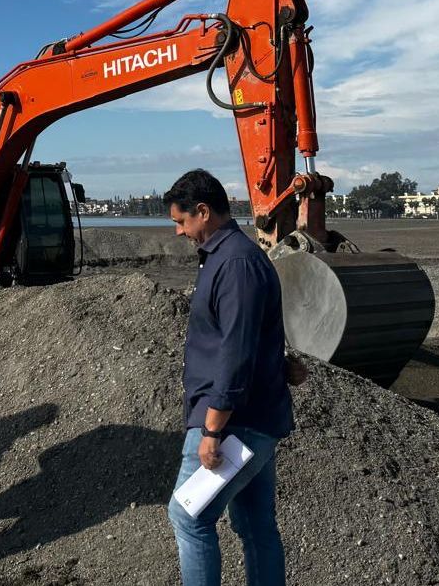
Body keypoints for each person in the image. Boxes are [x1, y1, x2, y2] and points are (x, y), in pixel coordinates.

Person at [163, 170, 294, 586]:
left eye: (182, 222)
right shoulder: (228, 258)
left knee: (189, 516)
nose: (180, 232)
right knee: (255, 525)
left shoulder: (235, 263)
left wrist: (212, 428)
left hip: (235, 422)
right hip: (256, 415)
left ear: (203, 212)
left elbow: (235, 352)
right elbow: (250, 334)